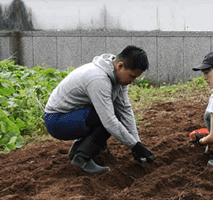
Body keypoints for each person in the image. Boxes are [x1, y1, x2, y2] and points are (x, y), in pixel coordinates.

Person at [43, 45, 155, 175]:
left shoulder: (119, 78)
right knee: (108, 118)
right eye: (131, 76)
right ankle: (82, 158)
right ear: (120, 66)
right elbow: (109, 120)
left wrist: (137, 143)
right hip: (57, 121)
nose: (132, 81)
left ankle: (79, 149)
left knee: (114, 114)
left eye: (136, 78)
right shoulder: (98, 79)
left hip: (74, 115)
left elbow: (125, 110)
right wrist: (134, 146)